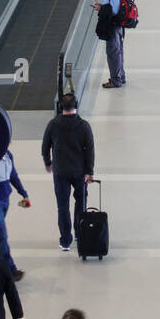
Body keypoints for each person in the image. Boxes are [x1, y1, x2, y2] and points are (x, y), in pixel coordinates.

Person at [41, 92, 96, 251]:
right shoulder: (84, 126)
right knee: (81, 203)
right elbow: (90, 151)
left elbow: (45, 146)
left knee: (62, 206)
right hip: (79, 172)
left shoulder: (52, 124)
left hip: (60, 172)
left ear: (60, 107)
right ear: (76, 106)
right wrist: (89, 171)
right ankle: (79, 234)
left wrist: (48, 163)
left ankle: (65, 241)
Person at [0, 151, 29, 281]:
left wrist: (24, 193)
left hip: (5, 199)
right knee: (1, 235)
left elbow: (13, 175)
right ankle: (10, 270)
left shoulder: (8, 155)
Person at [92, 0, 126, 89]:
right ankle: (121, 77)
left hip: (113, 28)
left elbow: (113, 11)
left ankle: (116, 80)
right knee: (117, 52)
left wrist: (101, 9)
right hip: (116, 27)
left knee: (113, 53)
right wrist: (101, 7)